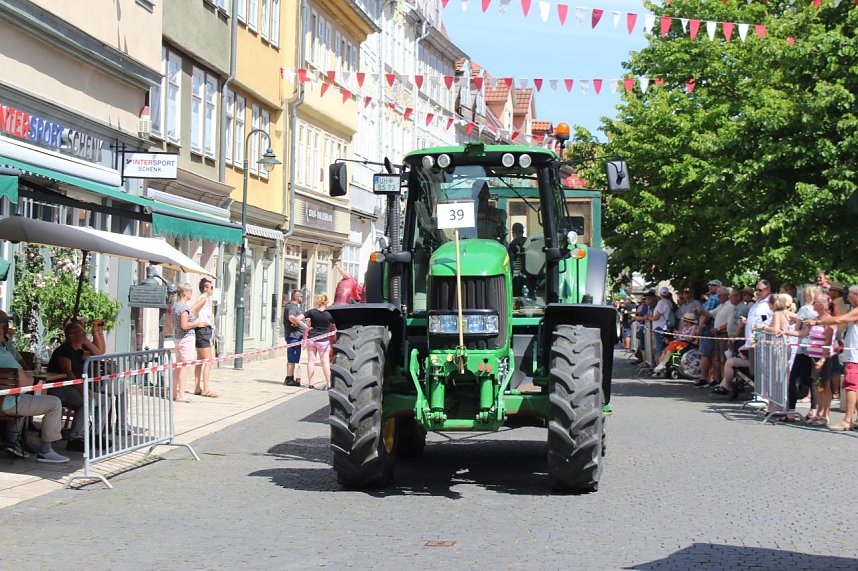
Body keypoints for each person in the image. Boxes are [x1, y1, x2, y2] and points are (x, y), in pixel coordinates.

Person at [1, 345, 69, 462]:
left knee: (24, 399)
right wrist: (31, 378)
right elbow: (25, 383)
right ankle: (46, 451)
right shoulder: (3, 354)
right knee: (54, 403)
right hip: (6, 403)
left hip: (6, 400)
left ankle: (13, 442)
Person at [46, 318, 106, 451]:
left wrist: (87, 340)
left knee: (104, 400)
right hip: (60, 387)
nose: (84, 333)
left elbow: (97, 355)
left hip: (72, 387)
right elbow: (68, 372)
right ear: (71, 335)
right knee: (87, 401)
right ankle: (74, 438)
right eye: (81, 332)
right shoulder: (64, 350)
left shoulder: (77, 351)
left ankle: (95, 434)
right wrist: (82, 389)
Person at [809, 285, 858, 431]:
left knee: (851, 387)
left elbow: (838, 320)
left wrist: (818, 322)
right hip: (852, 355)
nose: (847, 297)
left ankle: (847, 420)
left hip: (854, 356)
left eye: (849, 295)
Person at [172, 283, 208, 403]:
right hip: (185, 338)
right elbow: (184, 325)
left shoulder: (176, 306)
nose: (191, 294)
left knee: (178, 366)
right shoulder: (183, 308)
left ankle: (173, 392)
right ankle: (181, 395)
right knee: (184, 367)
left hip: (178, 339)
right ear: (184, 293)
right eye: (190, 291)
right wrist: (197, 323)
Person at [296, 294, 336, 390]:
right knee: (325, 362)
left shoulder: (312, 312)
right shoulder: (329, 314)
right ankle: (328, 383)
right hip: (323, 340)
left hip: (312, 339)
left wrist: (306, 327)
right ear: (326, 302)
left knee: (310, 361)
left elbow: (297, 318)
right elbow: (336, 325)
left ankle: (310, 383)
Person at [694, 279, 723, 387]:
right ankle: (714, 378)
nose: (711, 287)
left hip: (707, 330)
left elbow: (707, 315)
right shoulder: (714, 299)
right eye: (710, 285)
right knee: (714, 356)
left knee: (705, 355)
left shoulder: (713, 299)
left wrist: (700, 327)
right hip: (713, 330)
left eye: (714, 285)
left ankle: (704, 378)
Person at [192, 278, 217, 398]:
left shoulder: (204, 299)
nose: (212, 289)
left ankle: (197, 387)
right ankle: (206, 388)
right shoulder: (203, 298)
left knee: (200, 360)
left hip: (202, 331)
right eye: (211, 287)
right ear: (205, 288)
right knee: (209, 360)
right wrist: (198, 323)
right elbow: (192, 309)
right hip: (203, 331)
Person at [283, 290, 306, 387]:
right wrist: (302, 324)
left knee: (293, 358)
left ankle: (290, 377)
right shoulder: (292, 307)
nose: (302, 298)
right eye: (301, 296)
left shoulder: (293, 307)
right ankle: (289, 378)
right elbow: (291, 317)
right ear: (297, 297)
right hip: (293, 336)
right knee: (292, 358)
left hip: (296, 336)